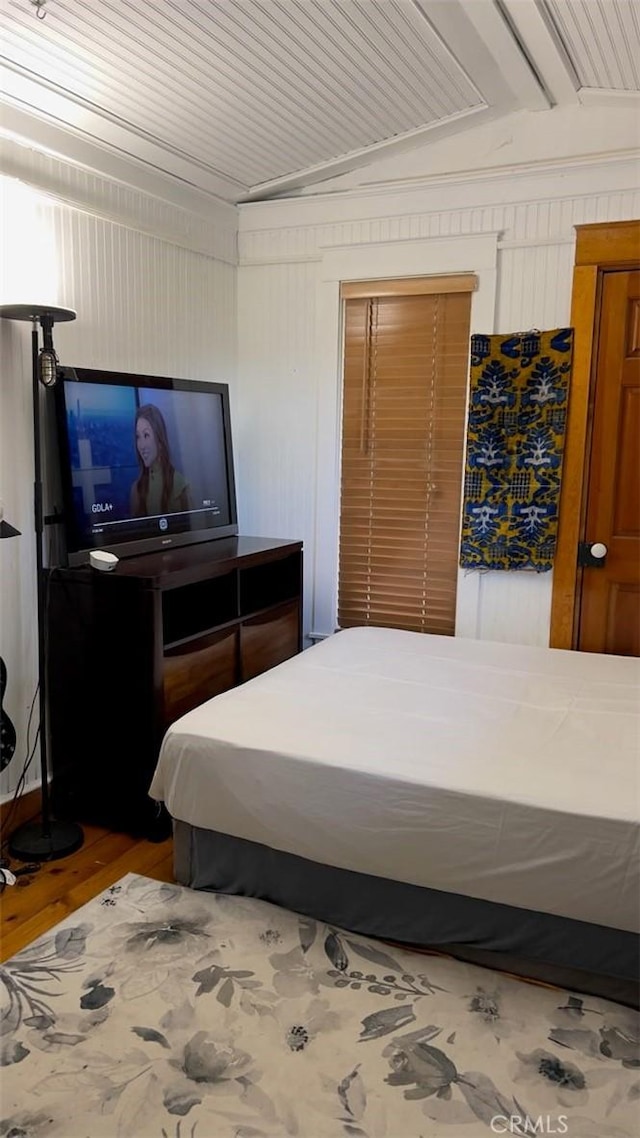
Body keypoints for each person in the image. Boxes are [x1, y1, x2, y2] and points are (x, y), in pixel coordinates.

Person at [130, 403, 192, 517]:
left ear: (160, 440)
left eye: (146, 435)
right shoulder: (137, 490)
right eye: (138, 437)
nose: (141, 446)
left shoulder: (181, 487)